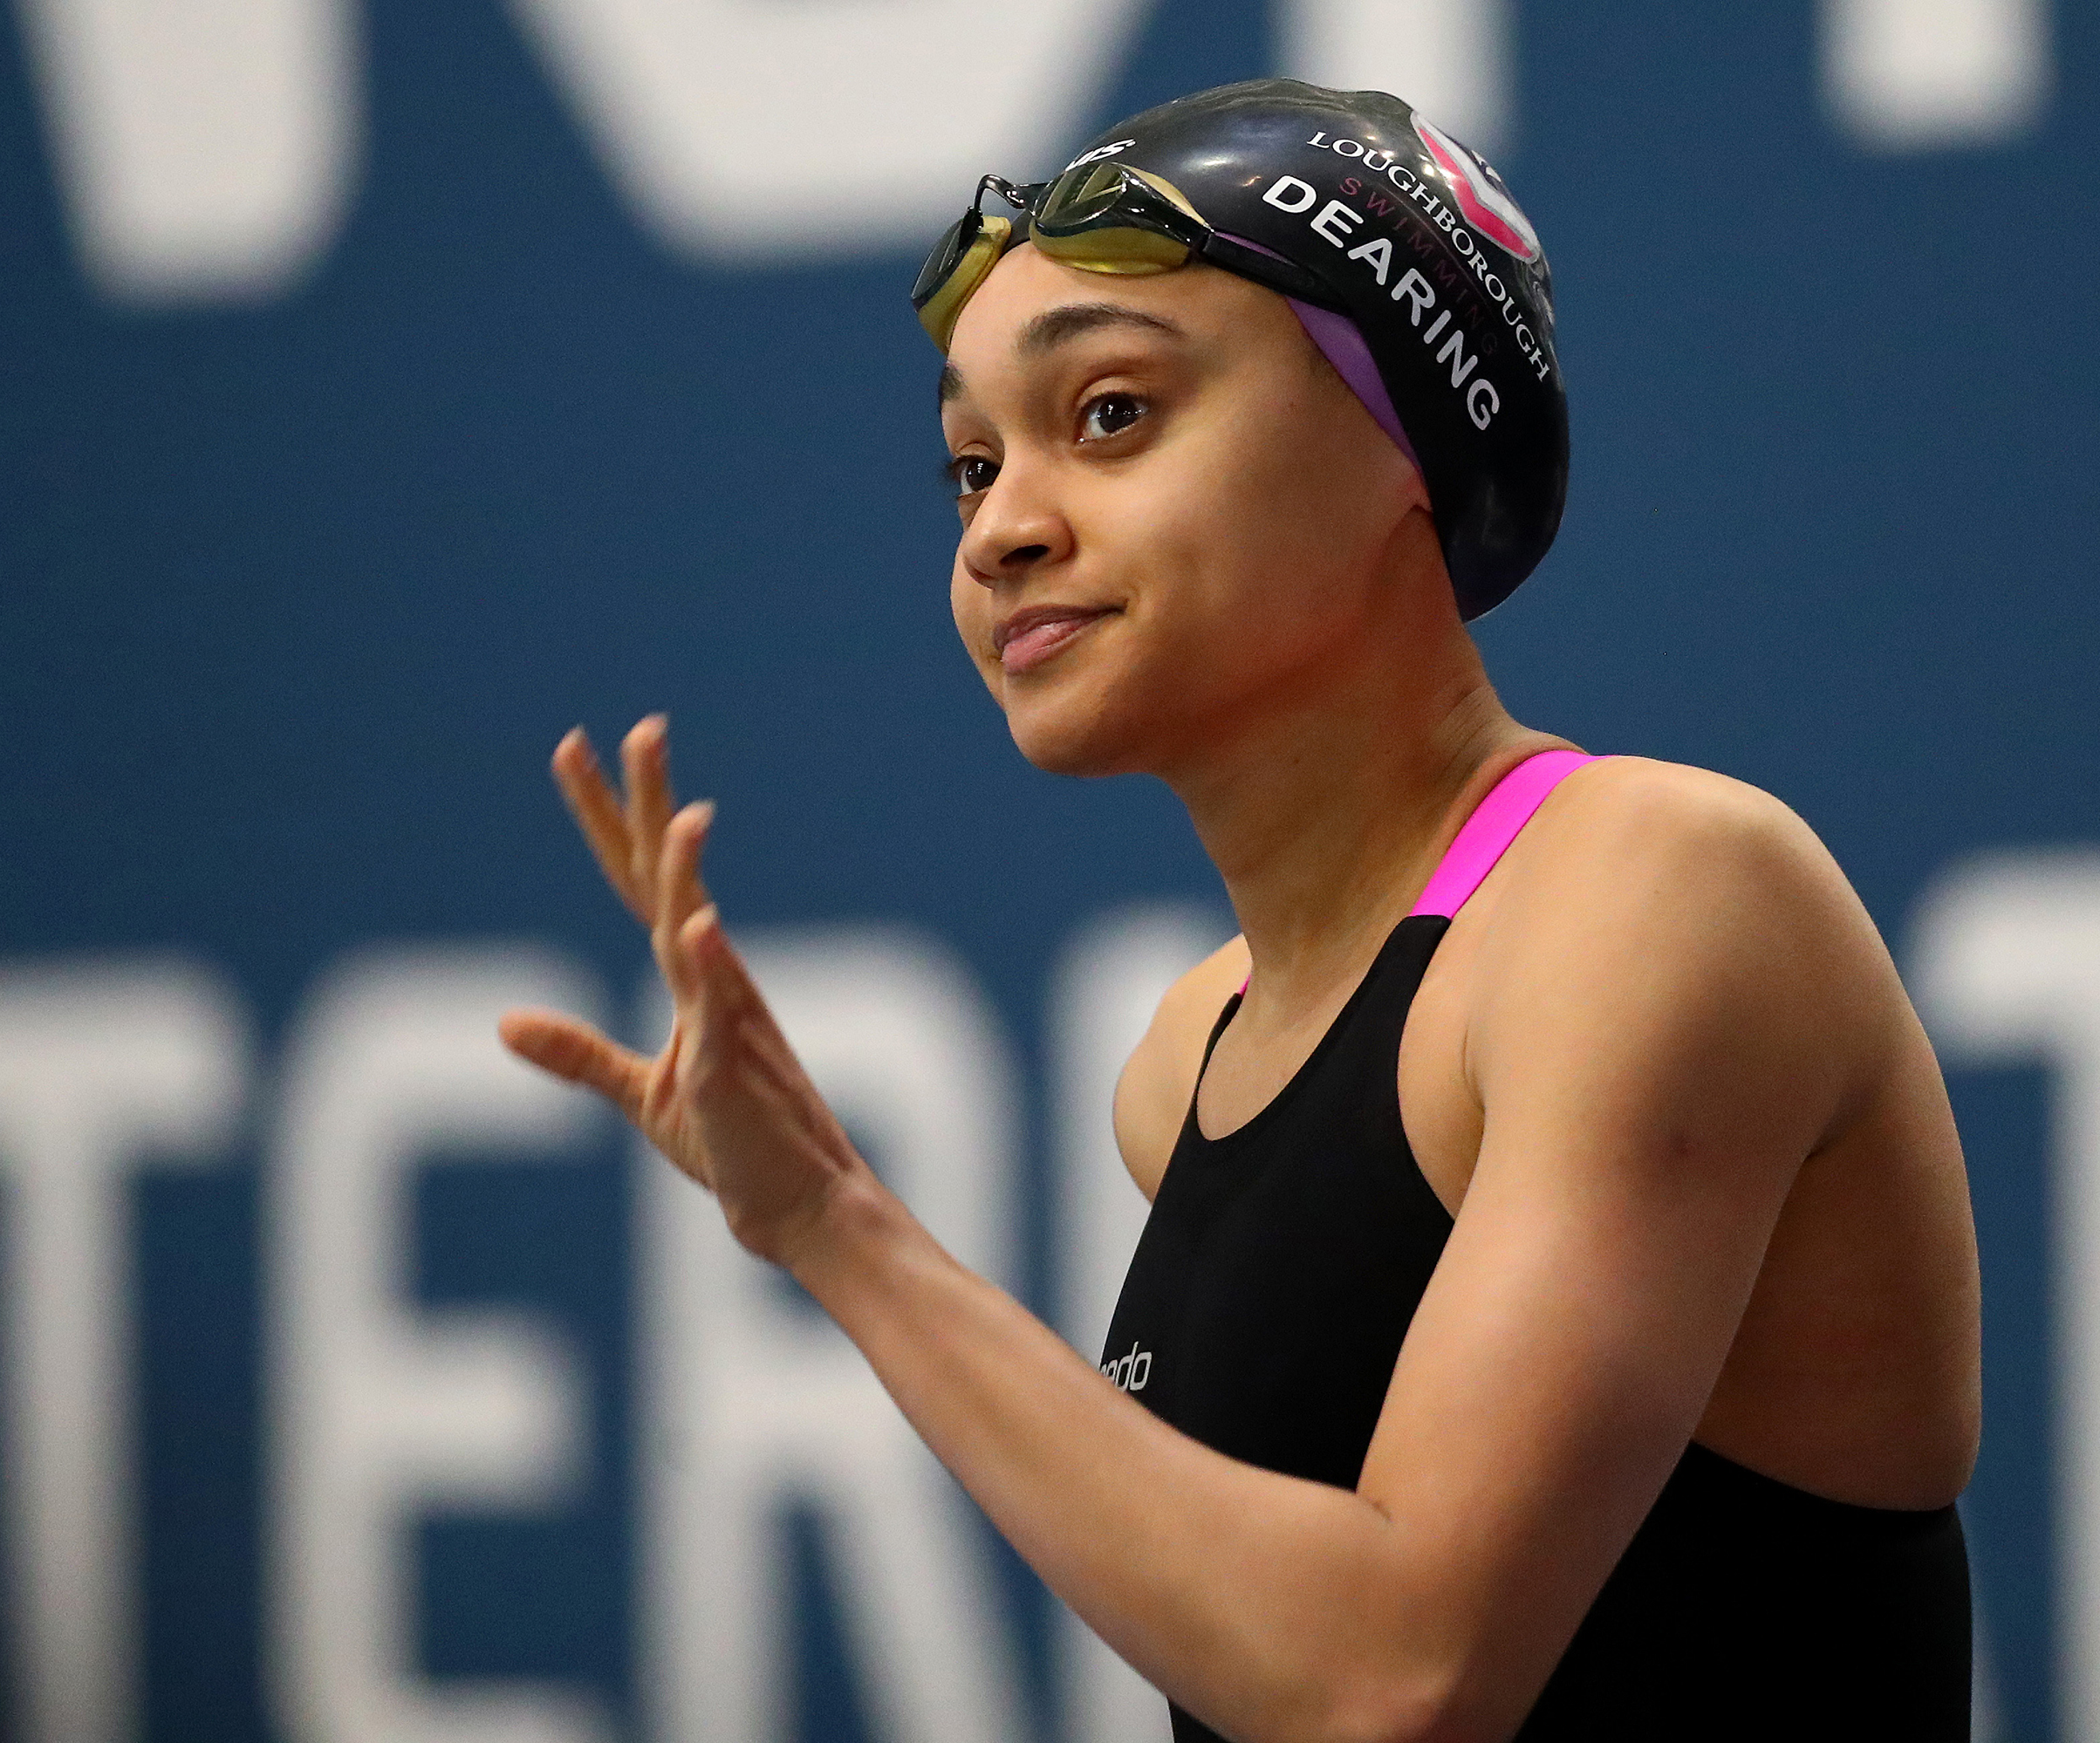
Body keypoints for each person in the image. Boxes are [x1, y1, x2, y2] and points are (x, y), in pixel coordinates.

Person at [501, 79, 1980, 1742]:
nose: (1001, 527)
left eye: (1113, 413)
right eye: (969, 465)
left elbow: (1398, 1675)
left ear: (1402, 448)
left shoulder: (1659, 895)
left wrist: (842, 1226)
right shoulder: (1189, 1057)